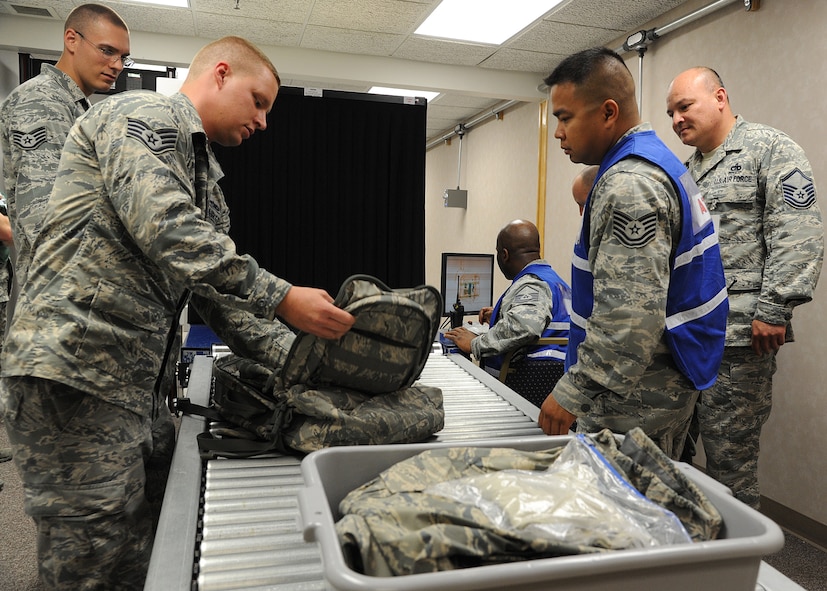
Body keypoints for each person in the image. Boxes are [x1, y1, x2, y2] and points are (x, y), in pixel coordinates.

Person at [0, 36, 355, 590]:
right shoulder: (143, 115)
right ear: (219, 73)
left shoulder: (204, 176)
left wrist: (309, 358)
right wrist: (285, 296)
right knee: (89, 562)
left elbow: (217, 295)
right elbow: (168, 229)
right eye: (258, 101)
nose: (263, 121)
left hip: (133, 387)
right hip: (76, 374)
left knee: (141, 554)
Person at [537, 47, 729, 460]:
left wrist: (572, 391)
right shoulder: (657, 162)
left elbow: (629, 320)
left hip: (637, 395)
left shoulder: (630, 185)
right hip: (655, 380)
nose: (558, 133)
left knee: (625, 514)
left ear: (608, 112)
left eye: (564, 117)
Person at [666, 67, 824, 507]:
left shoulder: (770, 149)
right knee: (674, 458)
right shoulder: (684, 173)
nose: (677, 119)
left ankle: (741, 567)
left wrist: (775, 309)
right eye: (671, 112)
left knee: (730, 465)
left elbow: (798, 233)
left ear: (719, 97)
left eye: (685, 106)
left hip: (738, 340)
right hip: (686, 335)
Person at [0, 4, 131, 302]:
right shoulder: (43, 101)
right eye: (107, 50)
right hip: (59, 301)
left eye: (123, 57)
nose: (117, 65)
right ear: (72, 40)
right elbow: (46, 222)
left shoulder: (77, 109)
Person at [444, 220, 571, 406]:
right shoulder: (557, 282)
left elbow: (525, 326)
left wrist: (475, 343)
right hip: (554, 388)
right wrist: (501, 315)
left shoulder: (533, 283)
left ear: (504, 254)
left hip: (525, 390)